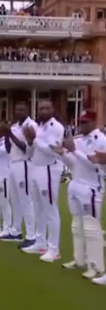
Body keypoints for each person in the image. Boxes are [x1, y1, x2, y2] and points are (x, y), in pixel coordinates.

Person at [55, 111, 106, 281]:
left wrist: (74, 151)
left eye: (86, 122)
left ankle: (96, 266)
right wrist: (62, 154)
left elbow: (95, 164)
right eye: (81, 122)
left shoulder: (100, 140)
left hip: (91, 187)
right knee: (77, 225)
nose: (82, 125)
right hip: (75, 184)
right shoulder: (78, 140)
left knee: (91, 227)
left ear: (93, 122)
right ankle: (79, 260)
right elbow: (73, 163)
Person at [22, 100, 64, 262]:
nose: (43, 110)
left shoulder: (56, 127)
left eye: (47, 107)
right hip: (36, 167)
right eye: (41, 108)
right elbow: (32, 149)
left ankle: (54, 249)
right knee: (38, 207)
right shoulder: (40, 127)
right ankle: (40, 242)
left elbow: (53, 152)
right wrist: (31, 140)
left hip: (49, 169)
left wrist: (35, 140)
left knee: (50, 209)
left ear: (53, 109)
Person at [0, 102, 37, 245]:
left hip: (24, 163)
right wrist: (6, 135)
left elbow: (27, 149)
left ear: (27, 110)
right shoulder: (14, 126)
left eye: (22, 109)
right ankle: (16, 231)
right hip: (13, 163)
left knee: (26, 200)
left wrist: (10, 134)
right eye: (17, 109)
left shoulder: (30, 125)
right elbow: (9, 149)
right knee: (14, 200)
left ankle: (31, 235)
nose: (19, 112)